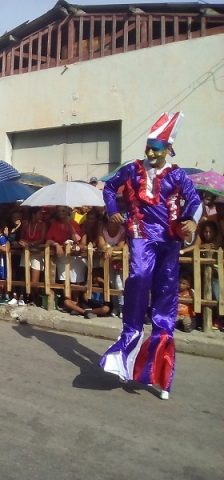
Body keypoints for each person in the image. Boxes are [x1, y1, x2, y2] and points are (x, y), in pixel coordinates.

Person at [99, 112, 202, 400]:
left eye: (156, 149)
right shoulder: (132, 170)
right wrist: (112, 209)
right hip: (142, 234)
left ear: (168, 149)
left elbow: (194, 201)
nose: (150, 153)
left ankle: (160, 373)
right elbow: (108, 187)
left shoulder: (178, 175)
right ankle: (125, 349)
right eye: (148, 147)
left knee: (165, 301)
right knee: (139, 278)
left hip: (169, 240)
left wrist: (192, 220)